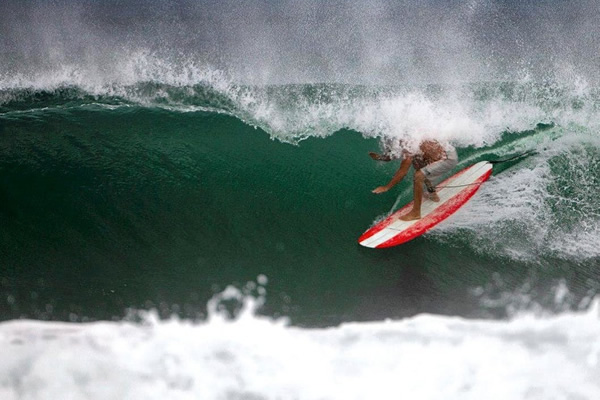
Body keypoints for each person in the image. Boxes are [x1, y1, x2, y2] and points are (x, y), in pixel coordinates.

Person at [370, 138, 458, 221]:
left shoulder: (409, 147)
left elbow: (402, 172)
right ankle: (433, 194)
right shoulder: (407, 140)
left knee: (418, 175)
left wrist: (387, 187)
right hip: (444, 153)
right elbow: (393, 155)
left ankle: (416, 213)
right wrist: (381, 158)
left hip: (448, 158)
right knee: (418, 163)